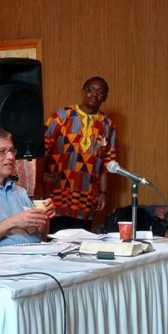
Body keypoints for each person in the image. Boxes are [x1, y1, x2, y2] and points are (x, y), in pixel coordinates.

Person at [43, 76, 116, 232]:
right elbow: (42, 149)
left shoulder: (107, 124)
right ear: (83, 92)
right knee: (57, 239)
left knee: (83, 241)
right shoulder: (61, 116)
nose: (94, 95)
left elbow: (107, 162)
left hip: (88, 194)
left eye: (100, 92)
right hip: (59, 189)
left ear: (105, 97)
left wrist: (103, 192)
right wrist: (43, 179)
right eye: (90, 90)